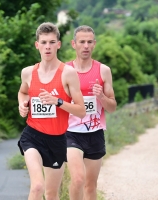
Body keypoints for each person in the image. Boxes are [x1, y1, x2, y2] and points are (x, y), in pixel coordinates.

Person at [17, 22, 86, 200]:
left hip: (57, 139)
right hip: (32, 136)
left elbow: (81, 111)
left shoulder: (68, 73)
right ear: (37, 45)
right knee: (38, 186)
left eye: (52, 42)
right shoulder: (27, 73)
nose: (48, 47)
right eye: (44, 42)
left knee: (51, 193)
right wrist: (22, 104)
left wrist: (58, 102)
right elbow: (22, 92)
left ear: (58, 44)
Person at [65, 25, 117, 200]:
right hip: (70, 133)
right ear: (74, 44)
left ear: (94, 44)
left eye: (89, 42)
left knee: (90, 185)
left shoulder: (103, 70)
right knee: (78, 179)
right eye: (82, 42)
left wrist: (101, 96)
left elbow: (112, 107)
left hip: (94, 133)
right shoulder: (64, 70)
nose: (85, 46)